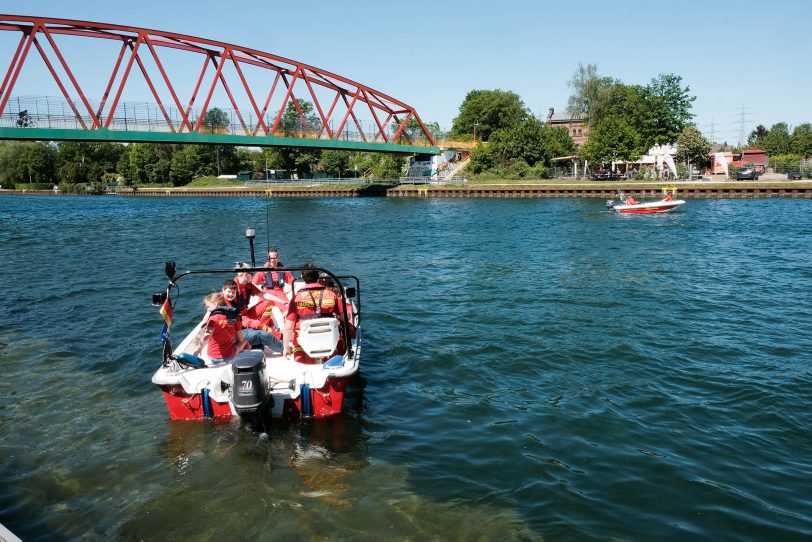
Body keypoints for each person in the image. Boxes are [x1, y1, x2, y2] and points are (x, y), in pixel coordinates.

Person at [283, 265, 342, 364]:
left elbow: (288, 327)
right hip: (328, 341)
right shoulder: (332, 295)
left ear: (302, 277)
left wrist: (286, 348)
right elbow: (344, 317)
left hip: (303, 341)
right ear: (318, 277)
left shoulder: (296, 298)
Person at [223, 268, 281, 351]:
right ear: (246, 274)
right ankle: (278, 335)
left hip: (247, 313)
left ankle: (264, 329)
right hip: (240, 318)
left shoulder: (248, 285)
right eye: (252, 275)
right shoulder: (232, 288)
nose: (253, 277)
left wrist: (282, 302)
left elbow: (263, 295)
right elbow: (218, 301)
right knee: (258, 324)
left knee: (268, 303)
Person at [194, 292, 249, 363]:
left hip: (212, 358)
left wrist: (198, 349)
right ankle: (246, 359)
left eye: (208, 307)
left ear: (216, 304)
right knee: (245, 339)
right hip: (229, 357)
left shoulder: (212, 319)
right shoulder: (234, 317)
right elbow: (241, 339)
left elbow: (207, 336)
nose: (207, 310)